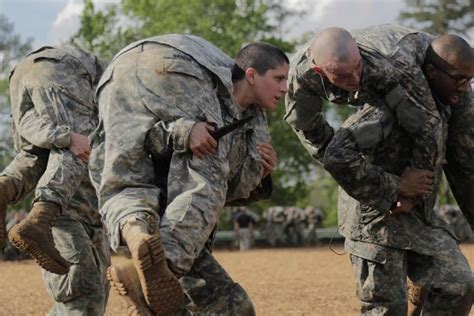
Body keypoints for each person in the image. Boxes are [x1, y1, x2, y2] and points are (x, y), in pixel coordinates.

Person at [89, 35, 288, 314]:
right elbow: (211, 183)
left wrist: (260, 173)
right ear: (252, 76)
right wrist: (188, 130)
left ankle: (135, 234)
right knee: (206, 173)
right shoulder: (213, 89)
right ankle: (162, 266)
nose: (286, 88)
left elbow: (148, 140)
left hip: (115, 72)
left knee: (125, 177)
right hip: (176, 60)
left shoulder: (251, 122)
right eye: (279, 78)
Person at [323, 34, 474, 314]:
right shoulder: (387, 108)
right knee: (386, 309)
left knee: (460, 286)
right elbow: (337, 155)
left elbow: (465, 169)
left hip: (419, 219)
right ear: (431, 72)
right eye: (459, 79)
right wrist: (394, 188)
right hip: (376, 222)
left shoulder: (445, 106)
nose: (465, 88)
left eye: (470, 80)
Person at [3, 45, 110, 314]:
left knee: (36, 150)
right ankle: (42, 215)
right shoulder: (124, 87)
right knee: (78, 142)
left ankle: (5, 187)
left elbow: (37, 146)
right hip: (62, 67)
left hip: (22, 71)